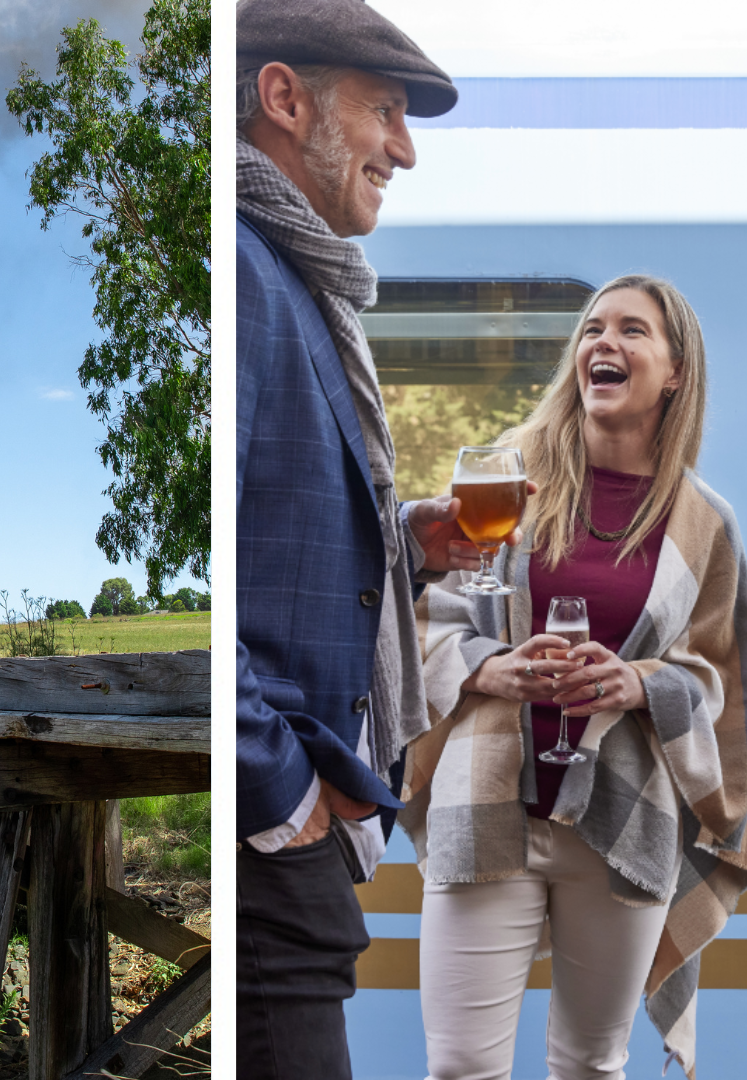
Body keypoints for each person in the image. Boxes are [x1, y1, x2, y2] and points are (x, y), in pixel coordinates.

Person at [402, 275, 747, 1080]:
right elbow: (423, 621)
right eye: (594, 328)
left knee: (594, 1066)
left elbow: (715, 680)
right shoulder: (504, 485)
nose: (604, 342)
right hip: (487, 802)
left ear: (675, 371)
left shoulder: (706, 522)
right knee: (460, 1067)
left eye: (633, 331)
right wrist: (493, 669)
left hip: (622, 814)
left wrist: (640, 685)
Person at [234, 3, 480, 1078]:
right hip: (272, 821)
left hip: (293, 821)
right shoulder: (246, 270)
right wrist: (279, 789)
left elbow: (273, 531)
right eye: (385, 110)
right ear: (283, 99)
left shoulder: (291, 273)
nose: (406, 148)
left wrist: (404, 545)